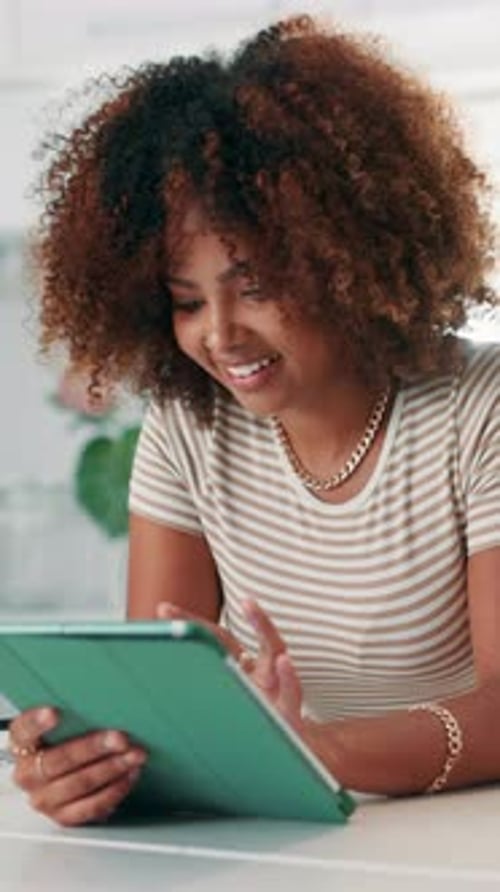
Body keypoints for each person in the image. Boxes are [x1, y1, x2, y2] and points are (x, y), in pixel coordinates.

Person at [8, 14, 500, 827]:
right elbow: (160, 706)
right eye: (187, 301)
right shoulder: (188, 425)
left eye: (259, 285)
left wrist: (314, 747)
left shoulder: (479, 409)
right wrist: (91, 764)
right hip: (275, 839)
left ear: (350, 260)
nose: (221, 334)